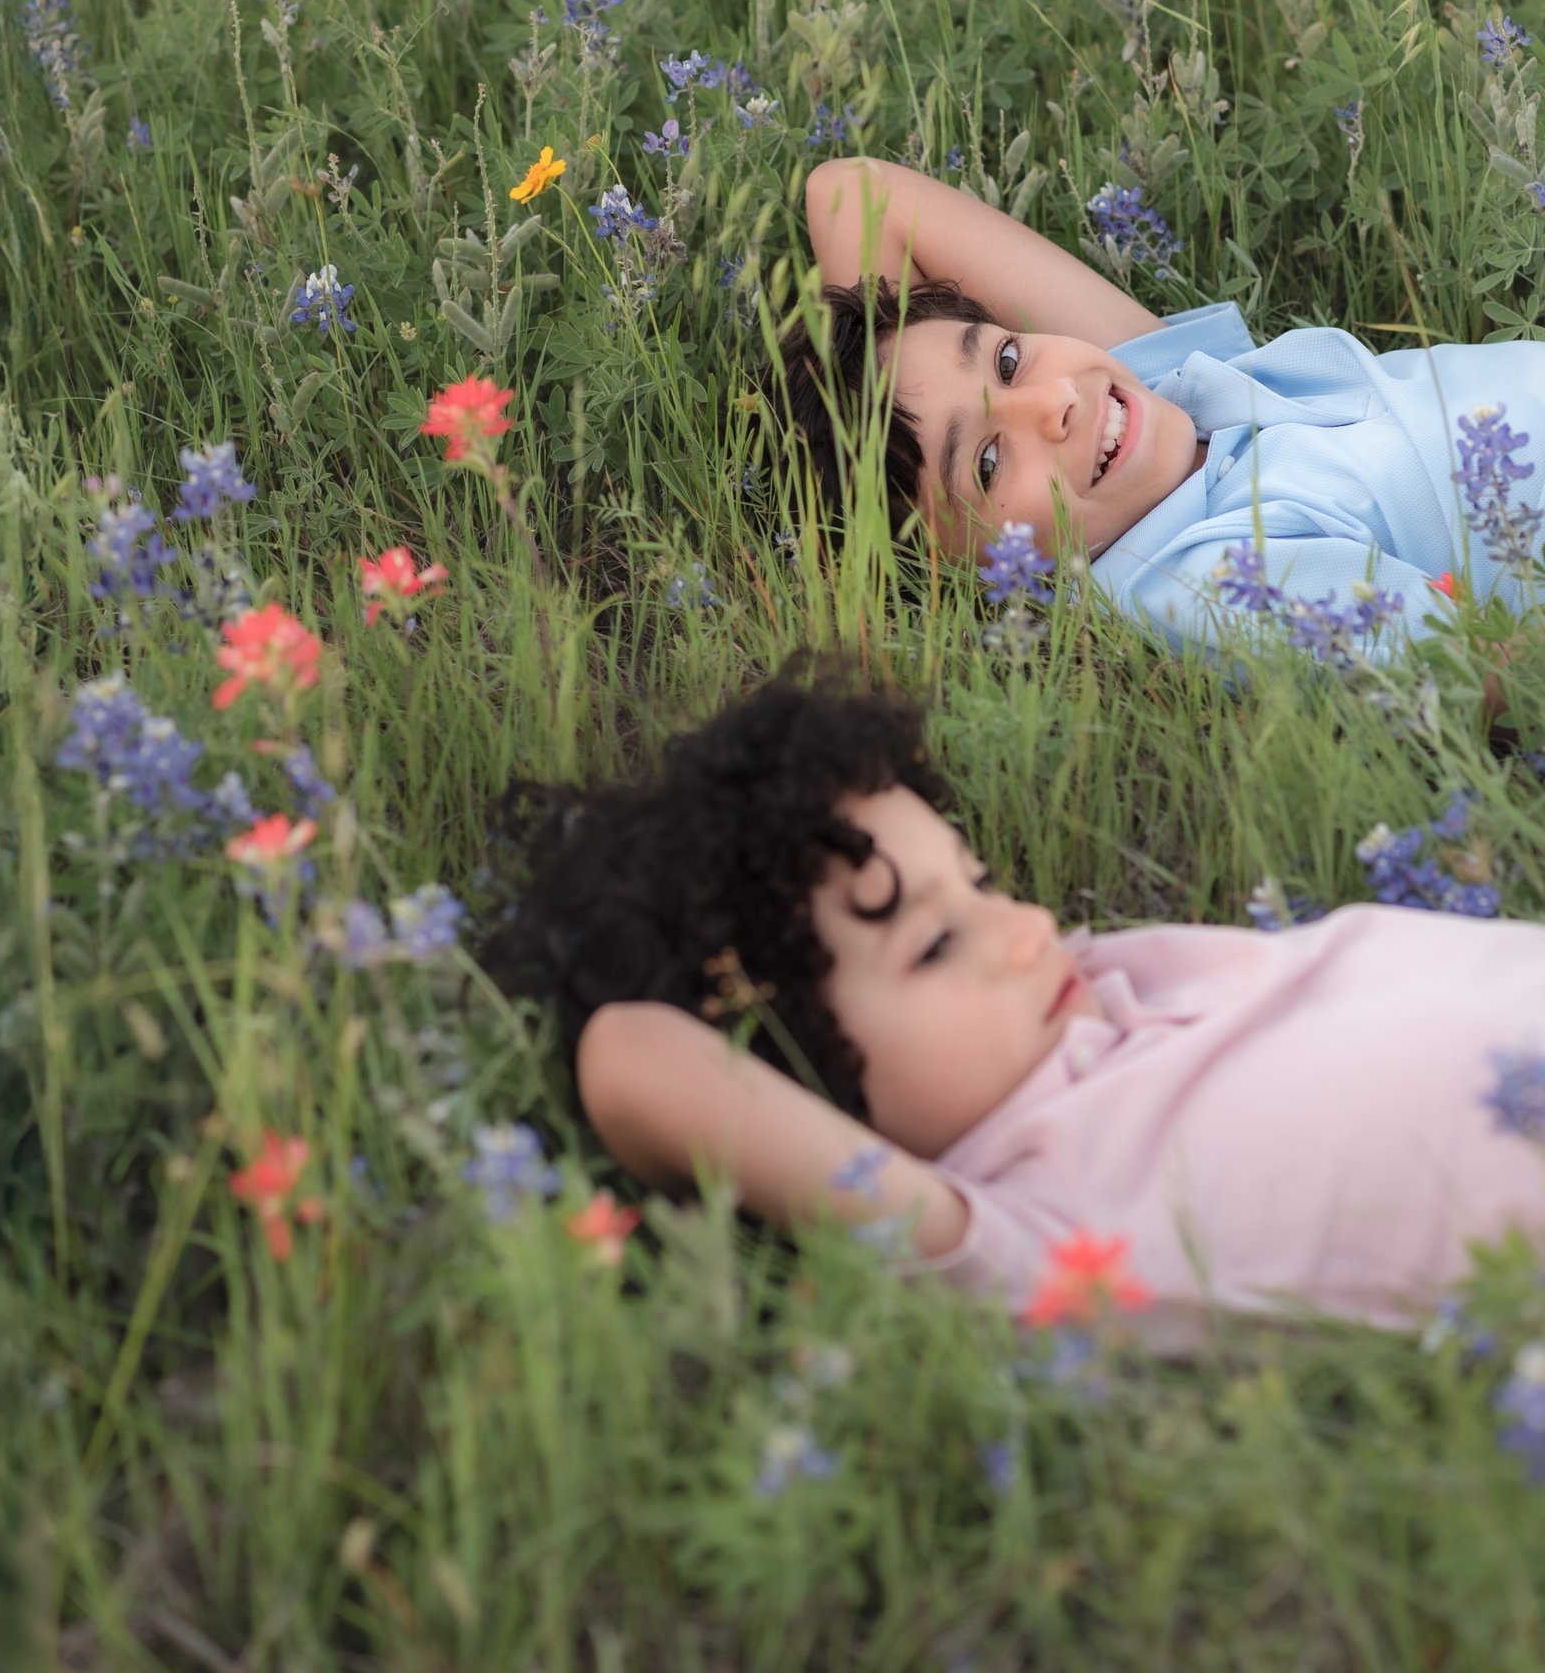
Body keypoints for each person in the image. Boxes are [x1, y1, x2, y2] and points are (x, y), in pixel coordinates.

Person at [492, 674, 1545, 1355]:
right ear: (803, 1070)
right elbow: (632, 1051)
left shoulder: (1097, 989)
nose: (1031, 925)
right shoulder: (1012, 1229)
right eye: (936, 944)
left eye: (981, 882)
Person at [778, 157, 1545, 671]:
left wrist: (860, 372)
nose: (1054, 404)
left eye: (1006, 359)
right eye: (986, 461)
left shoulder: (1154, 396)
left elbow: (848, 190)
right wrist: (888, 512)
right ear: (963, 568)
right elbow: (1489, 678)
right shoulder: (1202, 583)